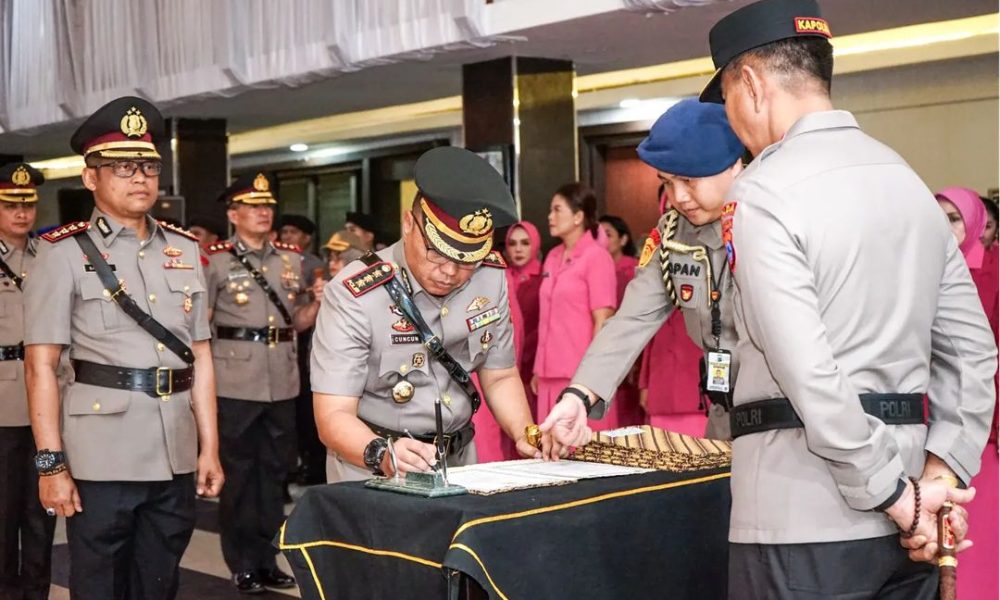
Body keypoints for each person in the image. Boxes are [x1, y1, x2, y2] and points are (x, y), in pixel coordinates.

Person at [707, 1, 992, 596]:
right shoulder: (908, 182)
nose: (732, 120)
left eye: (727, 98)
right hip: (910, 513)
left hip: (800, 511)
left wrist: (895, 496)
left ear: (752, 85)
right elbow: (973, 351)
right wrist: (936, 480)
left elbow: (807, 370)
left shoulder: (762, 192)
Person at [23, 96, 224, 600]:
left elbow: (199, 356)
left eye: (149, 167)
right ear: (90, 178)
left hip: (174, 448)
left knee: (160, 581)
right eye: (123, 168)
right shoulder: (61, 253)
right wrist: (51, 464)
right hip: (101, 452)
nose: (140, 178)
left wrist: (210, 448)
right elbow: (41, 366)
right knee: (100, 583)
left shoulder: (183, 249)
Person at [311, 146, 561, 484]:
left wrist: (524, 432)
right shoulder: (355, 294)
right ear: (408, 224)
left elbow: (500, 374)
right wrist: (384, 454)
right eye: (437, 253)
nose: (450, 271)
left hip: (460, 463)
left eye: (467, 260)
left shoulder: (489, 278)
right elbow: (333, 414)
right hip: (375, 468)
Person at [541, 98, 746, 442]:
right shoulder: (672, 235)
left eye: (689, 181)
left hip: (787, 419)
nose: (679, 197)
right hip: (724, 415)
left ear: (734, 165)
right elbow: (632, 319)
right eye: (667, 182)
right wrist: (579, 395)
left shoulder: (769, 221)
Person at [204, 172, 313, 593]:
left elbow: (296, 322)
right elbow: (201, 325)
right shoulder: (215, 260)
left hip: (281, 381)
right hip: (235, 382)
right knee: (239, 477)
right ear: (233, 214)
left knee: (274, 475)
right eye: (253, 207)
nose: (264, 213)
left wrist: (317, 303)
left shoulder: (291, 259)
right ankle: (242, 562)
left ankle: (267, 559)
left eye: (267, 206)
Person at [934, 186, 999, 600]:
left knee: (981, 523)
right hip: (931, 418)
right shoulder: (922, 270)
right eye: (937, 217)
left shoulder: (996, 271)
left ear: (975, 222)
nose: (944, 227)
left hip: (985, 422)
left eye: (954, 218)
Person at [0, 163, 55, 600]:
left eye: (28, 204)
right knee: (2, 510)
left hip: (46, 400)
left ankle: (37, 591)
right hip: (1, 401)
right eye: (10, 205)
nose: (21, 213)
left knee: (42, 509)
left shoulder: (51, 255)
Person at [532, 183, 618, 428]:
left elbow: (603, 320)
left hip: (581, 378)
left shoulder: (597, 257)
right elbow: (545, 317)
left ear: (578, 216)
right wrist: (538, 368)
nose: (550, 216)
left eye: (557, 210)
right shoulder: (552, 257)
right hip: (548, 373)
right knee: (550, 444)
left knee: (582, 446)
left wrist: (593, 376)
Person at [277, 214, 326, 485]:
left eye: (293, 232)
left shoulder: (313, 264)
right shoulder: (281, 260)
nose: (287, 237)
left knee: (306, 407)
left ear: (306, 238)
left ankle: (309, 463)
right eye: (284, 232)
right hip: (287, 335)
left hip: (306, 336)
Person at [598, 215, 644, 427]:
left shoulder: (635, 269)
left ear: (623, 239)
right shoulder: (596, 266)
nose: (602, 239)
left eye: (608, 234)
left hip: (631, 346)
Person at [504, 221, 543, 418]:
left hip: (534, 363)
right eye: (512, 244)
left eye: (525, 243)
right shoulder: (501, 277)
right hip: (505, 362)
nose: (518, 249)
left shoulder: (545, 278)